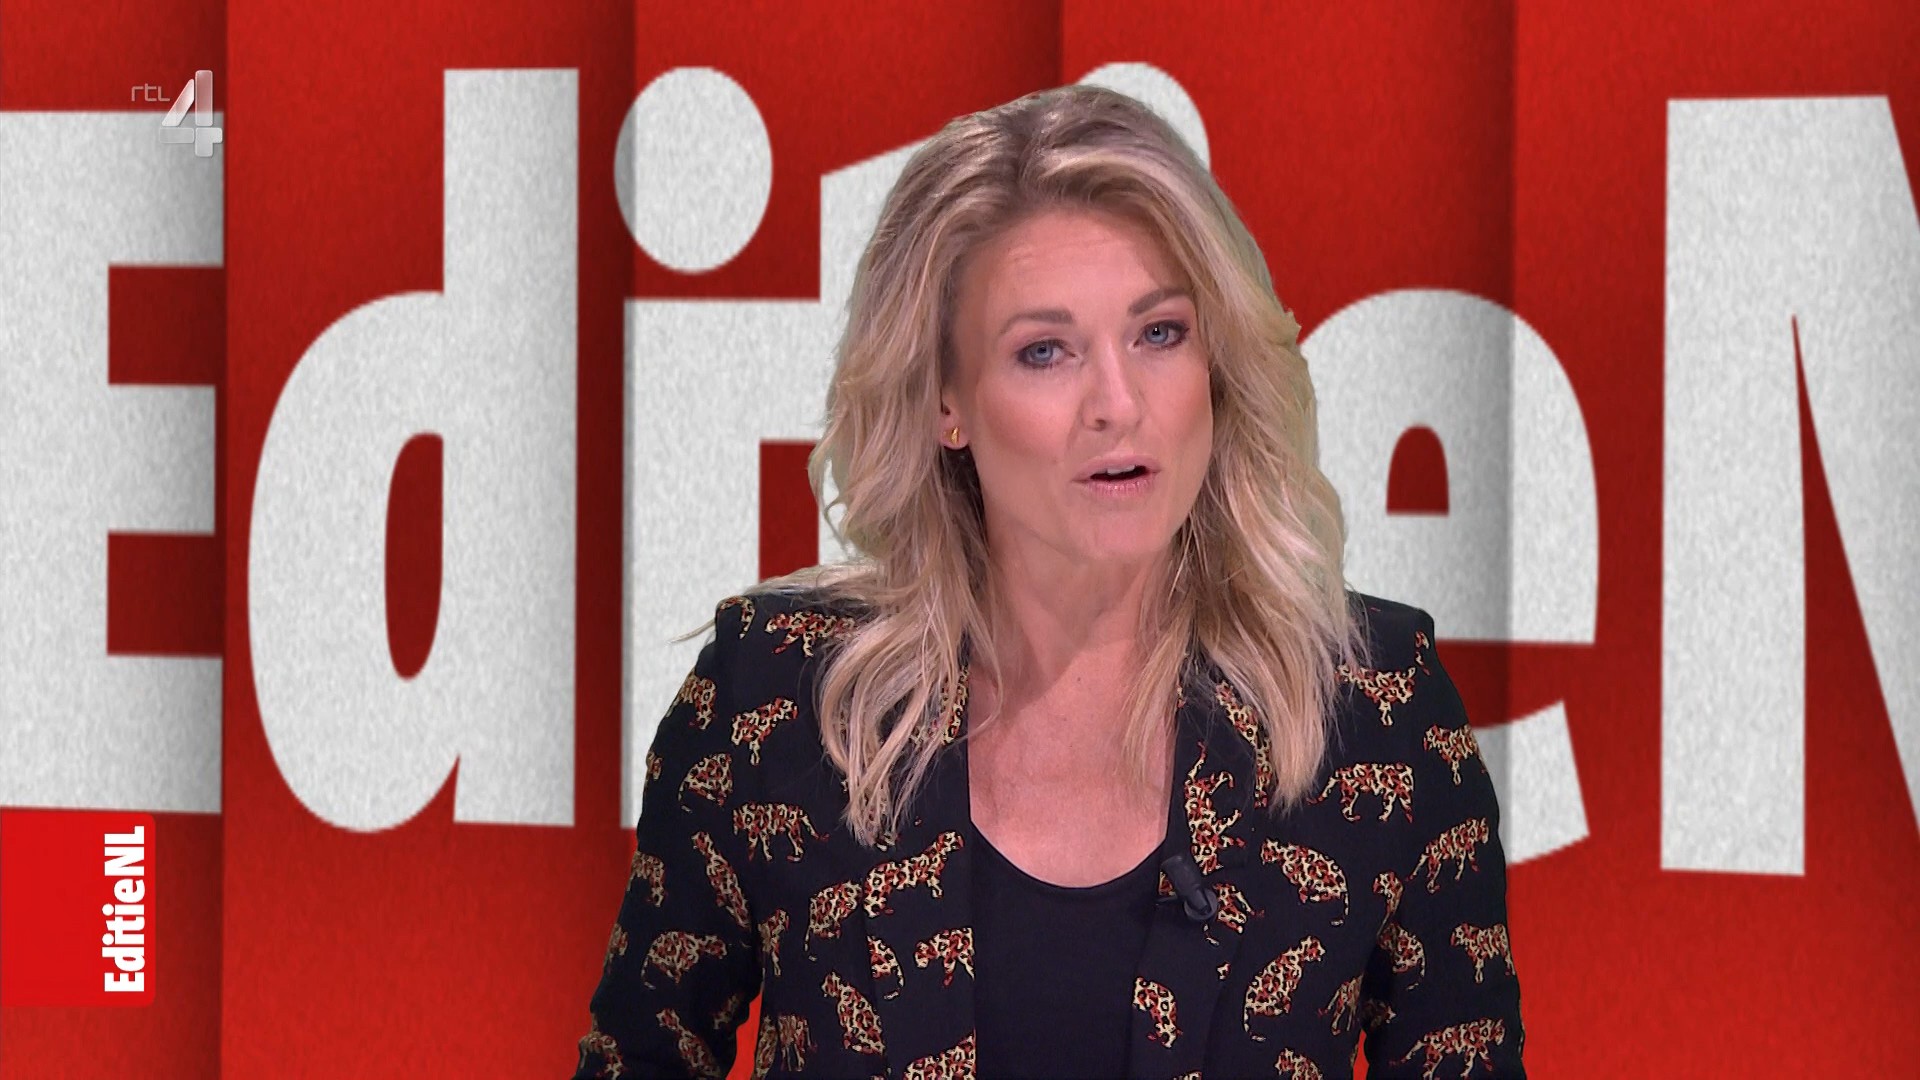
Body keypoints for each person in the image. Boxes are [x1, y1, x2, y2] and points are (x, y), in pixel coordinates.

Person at [573, 83, 1524, 1080]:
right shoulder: (776, 698)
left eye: (1160, 333)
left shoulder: (1375, 707)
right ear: (946, 400)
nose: (1118, 402)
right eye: (1044, 352)